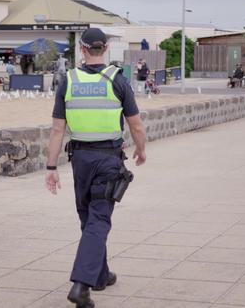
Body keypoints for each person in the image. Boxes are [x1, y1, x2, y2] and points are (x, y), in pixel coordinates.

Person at [45, 28, 147, 308]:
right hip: (108, 160)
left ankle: (100, 274)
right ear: (105, 49)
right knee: (99, 219)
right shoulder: (118, 80)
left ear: (83, 49)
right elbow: (136, 124)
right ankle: (81, 285)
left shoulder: (68, 80)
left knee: (88, 218)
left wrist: (51, 166)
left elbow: (57, 129)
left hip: (80, 160)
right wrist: (141, 150)